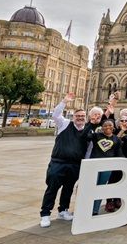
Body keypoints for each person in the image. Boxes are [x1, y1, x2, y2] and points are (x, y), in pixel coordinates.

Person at [39, 93, 87, 228]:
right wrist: (64, 102)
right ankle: (45, 214)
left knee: (68, 189)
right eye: (78, 116)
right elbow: (55, 115)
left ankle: (63, 210)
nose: (80, 118)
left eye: (82, 116)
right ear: (73, 117)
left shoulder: (86, 130)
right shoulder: (65, 124)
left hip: (75, 165)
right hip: (58, 162)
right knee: (52, 188)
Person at [85, 119, 123, 215]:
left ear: (113, 127)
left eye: (110, 125)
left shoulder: (116, 139)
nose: (107, 127)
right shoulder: (96, 136)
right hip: (95, 165)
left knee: (101, 188)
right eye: (105, 125)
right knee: (91, 187)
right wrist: (92, 124)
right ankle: (87, 207)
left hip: (107, 167)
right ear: (102, 128)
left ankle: (95, 210)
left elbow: (119, 153)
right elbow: (86, 136)